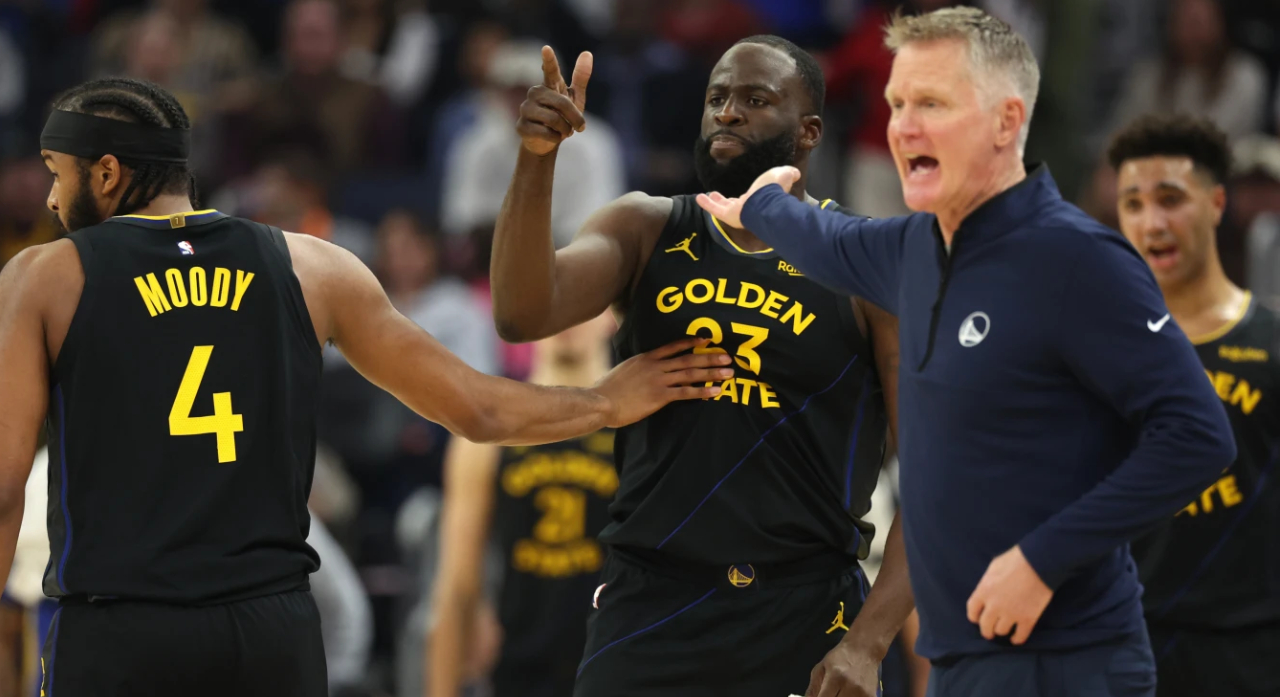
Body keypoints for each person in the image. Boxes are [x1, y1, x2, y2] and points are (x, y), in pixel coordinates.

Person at [0, 76, 733, 696]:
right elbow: (476, 407)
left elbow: (4, 488)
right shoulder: (312, 266)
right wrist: (606, 400)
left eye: (57, 174)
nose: (54, 204)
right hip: (270, 635)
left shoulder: (46, 277)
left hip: (121, 631)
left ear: (105, 174)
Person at [696, 7, 1237, 697]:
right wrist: (763, 204)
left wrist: (1042, 562)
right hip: (959, 665)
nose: (903, 126)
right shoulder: (913, 249)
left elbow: (1198, 436)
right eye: (896, 103)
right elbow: (825, 242)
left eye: (931, 103)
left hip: (1069, 663)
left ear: (1007, 122)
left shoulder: (1078, 259)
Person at [489, 36, 914, 697]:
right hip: (651, 601)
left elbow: (937, 474)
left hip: (802, 609)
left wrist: (869, 642)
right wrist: (536, 160)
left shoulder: (865, 268)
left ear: (808, 133)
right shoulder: (645, 227)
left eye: (754, 99)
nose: (728, 113)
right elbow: (521, 311)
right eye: (716, 97)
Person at [1108, 113, 1280, 697]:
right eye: (1132, 203)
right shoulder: (1096, 347)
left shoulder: (1273, 339)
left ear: (1216, 203)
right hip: (1125, 645)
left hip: (1251, 650)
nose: (1151, 221)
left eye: (1170, 198)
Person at [428, 311, 620, 697]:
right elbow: (456, 588)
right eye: (553, 302)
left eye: (585, 304)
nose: (567, 317)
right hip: (521, 669)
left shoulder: (641, 430)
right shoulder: (487, 435)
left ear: (612, 315)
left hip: (617, 668)